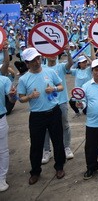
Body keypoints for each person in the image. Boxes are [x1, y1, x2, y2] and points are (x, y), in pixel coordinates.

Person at [17, 47, 66, 185]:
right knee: (36, 145)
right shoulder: (24, 79)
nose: (37, 62)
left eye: (38, 58)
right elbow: (20, 98)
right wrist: (30, 96)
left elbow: (61, 86)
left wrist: (54, 89)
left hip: (54, 112)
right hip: (37, 116)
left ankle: (59, 166)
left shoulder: (50, 71)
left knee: (58, 141)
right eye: (33, 60)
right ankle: (35, 171)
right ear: (27, 63)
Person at [41, 47, 74, 164]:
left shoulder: (60, 66)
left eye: (55, 53)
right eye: (50, 53)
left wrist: (69, 52)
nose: (53, 55)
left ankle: (67, 147)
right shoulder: (42, 68)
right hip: (47, 103)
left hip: (62, 101)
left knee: (64, 124)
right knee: (46, 128)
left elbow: (70, 63)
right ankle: (47, 150)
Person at [0, 45, 15, 192]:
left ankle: (1, 178)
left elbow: (11, 100)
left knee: (3, 150)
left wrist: (12, 95)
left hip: (0, 119)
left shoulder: (3, 80)